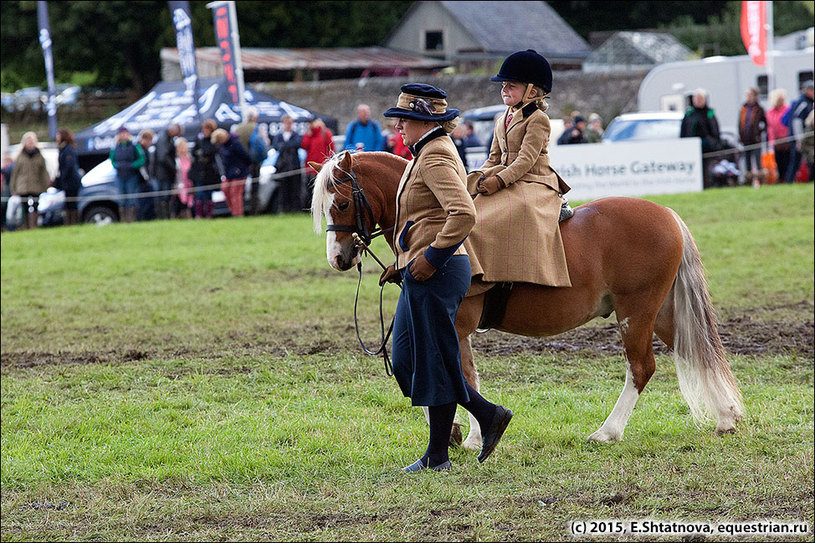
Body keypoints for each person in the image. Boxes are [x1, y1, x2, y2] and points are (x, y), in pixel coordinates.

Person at [378, 83, 513, 473]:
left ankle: (439, 455)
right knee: (407, 359)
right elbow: (422, 219)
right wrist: (402, 263)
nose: (399, 126)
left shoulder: (434, 156)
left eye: (404, 119)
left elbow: (463, 214)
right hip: (421, 268)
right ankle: (485, 414)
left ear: (424, 120)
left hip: (439, 269)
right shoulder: (423, 153)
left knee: (432, 360)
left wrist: (432, 257)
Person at [465, 49, 572, 288]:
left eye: (511, 86)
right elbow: (493, 158)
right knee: (470, 210)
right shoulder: (501, 118)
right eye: (503, 85)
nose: (504, 90)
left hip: (533, 179)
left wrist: (500, 181)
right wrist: (479, 177)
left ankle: (513, 276)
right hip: (504, 174)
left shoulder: (538, 120)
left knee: (517, 210)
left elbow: (525, 161)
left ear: (532, 91)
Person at [9, 132, 51, 230]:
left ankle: (34, 225)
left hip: (36, 185)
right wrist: (13, 187)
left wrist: (46, 186)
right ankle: (26, 226)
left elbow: (43, 172)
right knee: (24, 206)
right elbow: (15, 173)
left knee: (36, 205)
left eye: (32, 141)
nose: (30, 143)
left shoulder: (39, 156)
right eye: (28, 141)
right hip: (22, 186)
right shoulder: (20, 156)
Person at [680, 89, 721, 187]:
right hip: (691, 147)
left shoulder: (709, 113)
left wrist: (712, 143)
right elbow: (683, 130)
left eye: (700, 98)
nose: (697, 101)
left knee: (706, 168)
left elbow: (715, 131)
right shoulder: (689, 114)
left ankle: (708, 184)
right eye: (696, 98)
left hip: (706, 148)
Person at [234, 106, 267, 214]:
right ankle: (254, 210)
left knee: (240, 188)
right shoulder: (257, 128)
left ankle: (240, 209)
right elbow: (265, 143)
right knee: (254, 187)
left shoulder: (238, 128)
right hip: (254, 162)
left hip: (240, 162)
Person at [212, 127, 251, 217]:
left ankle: (237, 214)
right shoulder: (223, 146)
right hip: (228, 173)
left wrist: (240, 168)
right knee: (225, 190)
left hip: (239, 172)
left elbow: (245, 156)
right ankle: (232, 210)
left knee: (235, 193)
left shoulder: (235, 144)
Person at [109, 126, 145, 223]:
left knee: (131, 198)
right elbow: (111, 160)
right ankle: (123, 219)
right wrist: (117, 165)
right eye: (121, 133)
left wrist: (133, 165)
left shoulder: (134, 146)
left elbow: (142, 159)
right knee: (121, 199)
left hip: (131, 176)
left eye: (125, 133)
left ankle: (131, 219)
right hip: (120, 176)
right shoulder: (115, 147)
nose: (123, 135)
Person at [272, 115, 303, 212]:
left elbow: (296, 144)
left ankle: (295, 209)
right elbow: (276, 146)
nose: (288, 125)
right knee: (283, 189)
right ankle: (284, 208)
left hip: (294, 166)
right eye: (286, 122)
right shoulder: (279, 136)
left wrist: (284, 146)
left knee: (295, 189)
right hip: (282, 166)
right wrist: (288, 147)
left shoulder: (296, 135)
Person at [785, 80, 814, 183]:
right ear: (807, 91)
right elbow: (797, 121)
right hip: (799, 137)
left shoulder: (808, 102)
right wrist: (799, 139)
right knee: (796, 161)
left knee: (809, 160)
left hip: (806, 138)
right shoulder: (803, 103)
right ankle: (789, 181)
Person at [301, 117, 335, 207]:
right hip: (310, 167)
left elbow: (331, 148)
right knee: (310, 189)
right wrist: (308, 134)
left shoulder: (325, 132)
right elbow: (304, 145)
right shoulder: (309, 134)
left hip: (322, 166)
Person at [190, 119, 220, 219]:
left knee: (208, 194)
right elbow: (195, 152)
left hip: (209, 172)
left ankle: (208, 215)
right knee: (199, 194)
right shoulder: (199, 139)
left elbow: (211, 152)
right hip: (199, 172)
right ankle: (198, 215)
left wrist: (204, 154)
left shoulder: (213, 140)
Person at [737, 87, 767, 185]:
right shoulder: (743, 108)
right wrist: (740, 135)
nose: (748, 97)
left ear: (754, 96)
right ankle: (748, 181)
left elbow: (765, 123)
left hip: (756, 140)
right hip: (746, 139)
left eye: (750, 95)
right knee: (747, 161)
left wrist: (759, 132)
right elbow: (740, 123)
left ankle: (761, 181)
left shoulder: (759, 109)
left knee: (758, 161)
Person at [54, 128, 82, 226]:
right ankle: (69, 223)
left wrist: (62, 178)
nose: (57, 137)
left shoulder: (68, 149)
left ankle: (73, 223)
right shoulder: (63, 149)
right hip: (67, 182)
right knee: (68, 204)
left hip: (71, 182)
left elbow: (69, 166)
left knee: (72, 203)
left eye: (58, 135)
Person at [154, 123, 181, 219]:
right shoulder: (164, 138)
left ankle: (166, 216)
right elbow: (163, 157)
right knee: (164, 195)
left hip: (165, 172)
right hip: (163, 173)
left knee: (166, 196)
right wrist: (173, 167)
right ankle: (163, 216)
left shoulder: (166, 138)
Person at [766, 88, 791, 183]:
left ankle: (788, 179)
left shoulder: (787, 110)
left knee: (787, 161)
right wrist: (771, 140)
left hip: (787, 140)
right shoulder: (770, 112)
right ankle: (781, 178)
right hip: (776, 141)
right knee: (779, 161)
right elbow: (770, 127)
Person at [136, 129, 157, 221]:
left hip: (145, 179)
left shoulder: (144, 149)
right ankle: (142, 219)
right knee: (143, 202)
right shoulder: (139, 149)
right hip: (141, 180)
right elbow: (142, 166)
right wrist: (147, 178)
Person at [174, 137, 193, 219]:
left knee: (190, 201)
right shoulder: (176, 160)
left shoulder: (190, 158)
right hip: (180, 183)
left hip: (189, 183)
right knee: (182, 202)